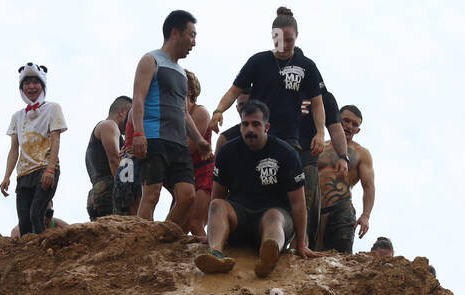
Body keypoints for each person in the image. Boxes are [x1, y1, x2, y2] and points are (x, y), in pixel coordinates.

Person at [193, 99, 326, 278]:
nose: (250, 129)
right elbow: (218, 194)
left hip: (273, 217)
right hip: (239, 217)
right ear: (240, 126)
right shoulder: (227, 152)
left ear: (266, 127)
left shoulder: (286, 153)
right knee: (217, 204)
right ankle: (215, 253)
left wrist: (301, 242)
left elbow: (298, 203)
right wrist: (212, 233)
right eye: (245, 124)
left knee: (273, 216)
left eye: (256, 124)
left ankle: (268, 256)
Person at [208, 9, 326, 163]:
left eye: (289, 40)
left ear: (297, 36)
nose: (283, 45)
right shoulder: (258, 61)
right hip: (257, 131)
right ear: (272, 36)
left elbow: (317, 103)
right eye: (278, 40)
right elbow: (233, 91)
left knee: (286, 177)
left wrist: (321, 133)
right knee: (226, 143)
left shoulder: (306, 65)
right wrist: (219, 110)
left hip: (288, 135)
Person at [129, 10, 213, 224]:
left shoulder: (182, 73)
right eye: (191, 35)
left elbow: (184, 113)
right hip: (154, 137)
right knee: (152, 194)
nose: (194, 42)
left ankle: (161, 237)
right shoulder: (150, 60)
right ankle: (142, 243)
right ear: (175, 33)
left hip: (178, 144)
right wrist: (138, 133)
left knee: (187, 196)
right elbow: (137, 100)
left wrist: (199, 139)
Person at [1, 63, 67, 236]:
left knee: (36, 215)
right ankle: (29, 259)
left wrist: (50, 169)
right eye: (27, 83)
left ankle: (44, 254)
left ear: (42, 85)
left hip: (44, 169)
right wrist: (7, 176)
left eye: (35, 82)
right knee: (24, 223)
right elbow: (14, 149)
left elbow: (56, 140)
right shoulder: (17, 117)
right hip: (23, 174)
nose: (31, 87)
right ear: (22, 87)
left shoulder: (53, 108)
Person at [296, 82, 349, 249]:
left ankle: (300, 248)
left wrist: (343, 157)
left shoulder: (325, 97)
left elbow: (335, 128)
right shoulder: (278, 89)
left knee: (304, 207)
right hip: (279, 153)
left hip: (307, 157)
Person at [318, 104, 375, 253]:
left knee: (339, 260)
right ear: (337, 119)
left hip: (340, 210)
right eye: (346, 121)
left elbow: (369, 186)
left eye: (354, 124)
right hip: (313, 209)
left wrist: (365, 215)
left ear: (358, 130)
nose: (349, 126)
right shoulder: (320, 146)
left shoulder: (361, 153)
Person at [87, 96, 132, 220]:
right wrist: (128, 193)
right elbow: (114, 160)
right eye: (131, 116)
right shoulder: (109, 125)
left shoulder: (105, 129)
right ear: (122, 112)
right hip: (110, 193)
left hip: (98, 194)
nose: (132, 122)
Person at [184, 70, 214, 239]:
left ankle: (213, 257)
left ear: (189, 90)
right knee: (177, 229)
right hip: (186, 175)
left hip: (204, 172)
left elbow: (188, 148)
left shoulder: (200, 112)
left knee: (196, 223)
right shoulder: (174, 115)